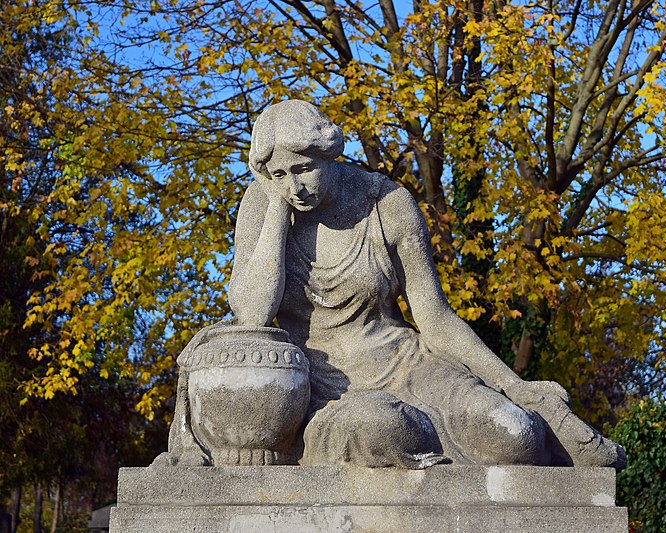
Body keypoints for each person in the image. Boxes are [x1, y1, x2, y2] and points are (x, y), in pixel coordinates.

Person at [226, 99, 625, 469]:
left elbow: (433, 316)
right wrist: (275, 212)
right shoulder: (263, 206)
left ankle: (546, 417)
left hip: (409, 367)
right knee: (383, 428)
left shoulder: (386, 204)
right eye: (279, 174)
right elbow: (251, 313)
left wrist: (509, 383)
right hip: (326, 391)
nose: (294, 187)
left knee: (514, 433)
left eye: (303, 169)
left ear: (329, 154)